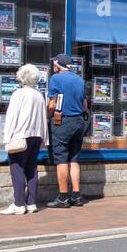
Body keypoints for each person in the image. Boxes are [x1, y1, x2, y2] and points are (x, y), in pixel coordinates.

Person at [0, 64, 48, 215]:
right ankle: (31, 202)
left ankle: (19, 203)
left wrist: (6, 138)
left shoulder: (18, 94)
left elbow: (11, 117)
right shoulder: (39, 95)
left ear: (21, 77)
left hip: (20, 135)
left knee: (17, 168)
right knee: (31, 168)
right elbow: (43, 118)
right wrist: (44, 139)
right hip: (36, 136)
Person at [46, 53, 88, 208]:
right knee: (74, 159)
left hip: (62, 122)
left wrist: (46, 117)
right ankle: (76, 196)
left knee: (61, 159)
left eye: (54, 64)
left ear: (58, 65)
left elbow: (52, 104)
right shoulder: (79, 80)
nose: (53, 66)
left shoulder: (56, 78)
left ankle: (63, 197)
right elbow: (85, 105)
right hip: (79, 122)